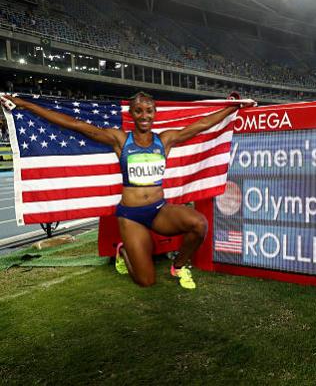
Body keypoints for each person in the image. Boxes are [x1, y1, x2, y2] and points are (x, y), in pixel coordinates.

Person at [1, 92, 254, 289]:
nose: (144, 115)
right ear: (132, 113)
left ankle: (178, 266)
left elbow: (201, 125)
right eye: (139, 111)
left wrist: (233, 108)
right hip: (131, 216)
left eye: (149, 110)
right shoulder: (121, 140)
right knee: (146, 281)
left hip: (158, 211)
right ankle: (122, 250)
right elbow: (75, 124)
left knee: (199, 224)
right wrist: (25, 105)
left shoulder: (164, 139)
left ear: (154, 114)